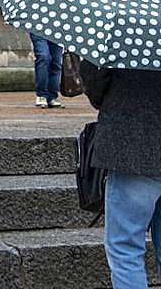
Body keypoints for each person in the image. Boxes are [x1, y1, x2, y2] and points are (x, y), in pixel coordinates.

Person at [80, 59, 161, 288]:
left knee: (125, 248)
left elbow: (94, 78)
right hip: (135, 149)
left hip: (133, 146)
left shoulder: (124, 30)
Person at [24, 0, 64, 109]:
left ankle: (52, 95)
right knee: (43, 56)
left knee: (56, 60)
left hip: (56, 21)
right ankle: (41, 94)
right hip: (37, 21)